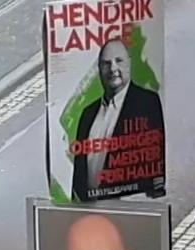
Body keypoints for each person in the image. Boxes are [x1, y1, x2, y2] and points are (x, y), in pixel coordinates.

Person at [71, 39, 165, 201]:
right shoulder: (87, 113)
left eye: (118, 61)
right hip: (91, 208)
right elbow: (79, 171)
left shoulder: (147, 102)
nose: (113, 68)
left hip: (130, 204)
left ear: (129, 63)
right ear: (99, 69)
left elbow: (156, 153)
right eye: (106, 63)